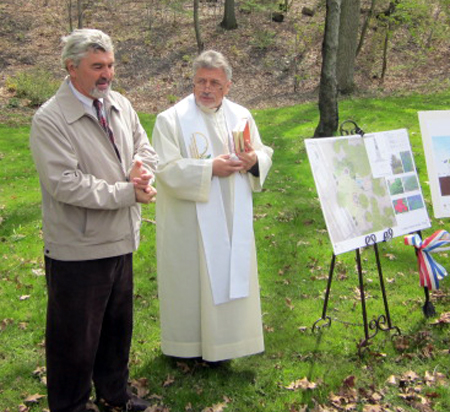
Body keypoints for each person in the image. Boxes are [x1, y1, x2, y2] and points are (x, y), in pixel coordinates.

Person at [30, 29, 158, 412]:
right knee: (75, 341)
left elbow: (144, 147)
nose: (108, 74)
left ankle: (114, 397)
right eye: (97, 66)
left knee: (116, 332)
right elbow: (64, 184)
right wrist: (126, 193)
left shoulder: (119, 103)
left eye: (111, 65)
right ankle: (71, 406)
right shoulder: (50, 119)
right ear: (72, 68)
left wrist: (143, 173)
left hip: (121, 238)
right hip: (79, 248)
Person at [152, 50, 273, 362]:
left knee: (232, 275)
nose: (206, 89)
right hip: (189, 223)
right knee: (192, 281)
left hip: (233, 218)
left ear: (228, 86)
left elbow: (263, 152)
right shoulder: (171, 120)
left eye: (214, 83)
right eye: (200, 81)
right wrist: (208, 170)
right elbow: (164, 170)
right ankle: (187, 349)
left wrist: (254, 161)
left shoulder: (242, 116)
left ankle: (229, 344)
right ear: (193, 82)